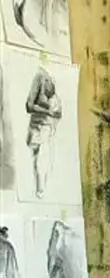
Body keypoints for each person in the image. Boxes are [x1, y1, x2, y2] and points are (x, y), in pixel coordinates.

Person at [25, 67, 62, 199]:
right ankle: (38, 188)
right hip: (36, 128)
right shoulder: (39, 78)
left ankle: (40, 188)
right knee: (36, 158)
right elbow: (29, 106)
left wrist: (54, 116)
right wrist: (48, 112)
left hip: (46, 129)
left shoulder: (52, 88)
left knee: (42, 159)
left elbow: (58, 113)